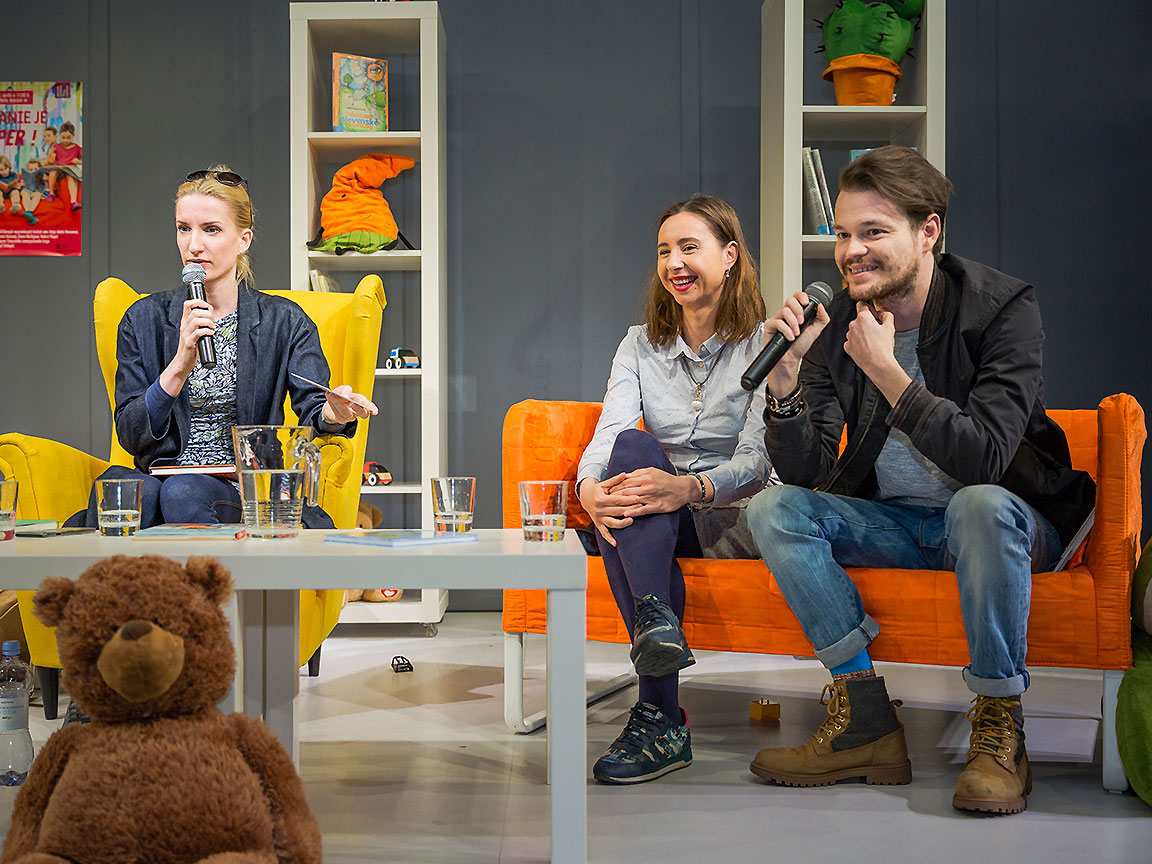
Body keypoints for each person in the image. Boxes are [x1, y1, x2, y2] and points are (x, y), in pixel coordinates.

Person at [743, 146, 1095, 814]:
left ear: (928, 231)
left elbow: (985, 459)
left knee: (979, 505)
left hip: (1009, 523)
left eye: (873, 232)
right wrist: (785, 386)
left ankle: (1000, 724)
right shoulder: (837, 328)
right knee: (774, 510)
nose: (851, 252)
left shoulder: (1000, 308)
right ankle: (864, 718)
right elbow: (807, 473)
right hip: (901, 525)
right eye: (843, 234)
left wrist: (887, 373)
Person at [577, 194, 776, 784]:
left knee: (631, 508)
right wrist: (588, 489)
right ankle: (656, 620)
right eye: (665, 251)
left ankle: (661, 715)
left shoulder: (766, 343)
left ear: (730, 255)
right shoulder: (639, 344)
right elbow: (610, 431)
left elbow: (759, 459)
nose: (674, 263)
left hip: (732, 514)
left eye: (690, 247)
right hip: (654, 515)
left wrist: (687, 488)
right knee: (630, 449)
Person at [72, 165, 377, 530]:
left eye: (211, 229)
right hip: (162, 475)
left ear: (243, 240)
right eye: (184, 228)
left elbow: (314, 408)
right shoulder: (142, 319)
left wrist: (333, 413)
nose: (193, 245)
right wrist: (179, 365)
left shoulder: (284, 321)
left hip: (243, 486)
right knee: (126, 491)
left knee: (183, 492)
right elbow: (131, 433)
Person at [44, 120, 81, 209]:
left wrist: (78, 161)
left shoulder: (77, 148)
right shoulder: (56, 147)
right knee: (53, 172)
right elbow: (51, 161)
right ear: (60, 135)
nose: (65, 140)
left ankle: (73, 202)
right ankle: (51, 193)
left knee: (71, 178)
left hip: (70, 170)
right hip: (59, 169)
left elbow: (83, 159)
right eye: (63, 138)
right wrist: (51, 154)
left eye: (68, 138)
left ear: (73, 136)